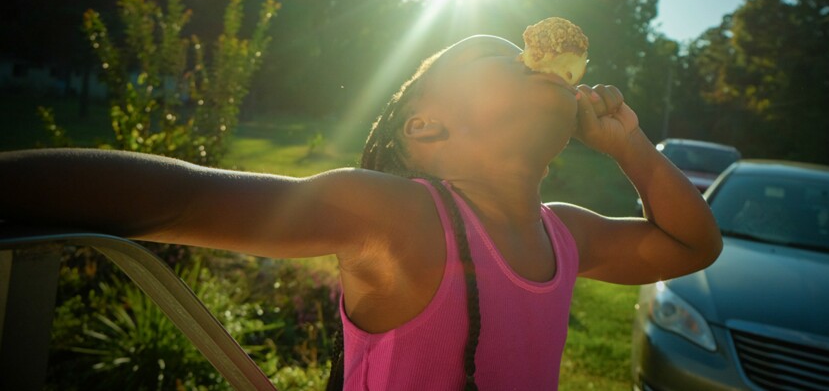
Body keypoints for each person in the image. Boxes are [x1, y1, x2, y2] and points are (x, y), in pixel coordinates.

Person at [0, 34, 722, 390]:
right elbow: (184, 197)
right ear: (427, 130)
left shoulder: (566, 234)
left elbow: (692, 247)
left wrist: (632, 147)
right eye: (497, 57)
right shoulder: (398, 214)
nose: (532, 60)